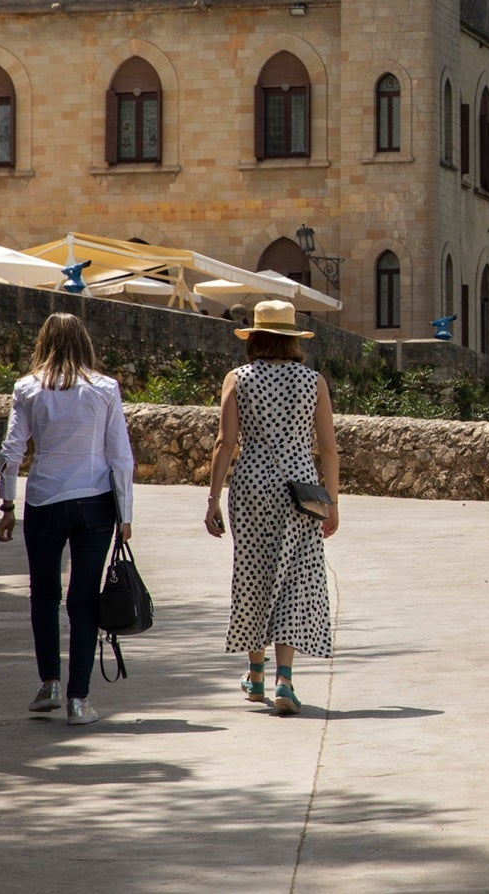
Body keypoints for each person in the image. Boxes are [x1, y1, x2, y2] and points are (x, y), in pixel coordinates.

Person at [0, 313, 135, 727]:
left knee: (43, 595)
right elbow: (119, 456)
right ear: (84, 342)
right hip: (95, 502)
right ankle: (79, 699)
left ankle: (49, 683)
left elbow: (12, 449)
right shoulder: (105, 389)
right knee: (84, 599)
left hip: (44, 500)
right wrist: (126, 513)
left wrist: (7, 504)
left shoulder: (28, 388)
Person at [204, 299, 340, 715]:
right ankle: (285, 680)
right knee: (296, 579)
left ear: (256, 336)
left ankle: (256, 673)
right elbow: (329, 449)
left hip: (251, 488)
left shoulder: (238, 378)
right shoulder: (313, 381)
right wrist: (331, 503)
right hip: (301, 490)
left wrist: (212, 498)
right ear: (293, 339)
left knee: (254, 573)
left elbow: (226, 443)